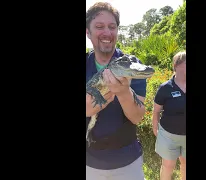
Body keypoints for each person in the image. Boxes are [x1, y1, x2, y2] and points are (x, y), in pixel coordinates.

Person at [85, 2, 147, 180]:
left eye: (112, 27)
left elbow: (137, 117)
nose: (107, 32)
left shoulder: (132, 64)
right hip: (91, 162)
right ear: (88, 32)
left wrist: (124, 92)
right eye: (99, 26)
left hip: (128, 161)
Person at [152, 51, 186, 180]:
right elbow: (156, 111)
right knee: (168, 165)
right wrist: (155, 129)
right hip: (168, 135)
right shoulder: (165, 88)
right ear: (176, 66)